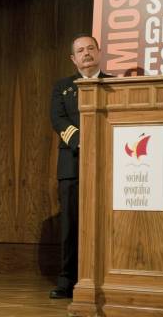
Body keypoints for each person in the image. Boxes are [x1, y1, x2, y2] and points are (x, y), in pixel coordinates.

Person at [49, 34, 111, 299]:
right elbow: (58, 120)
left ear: (99, 52)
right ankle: (67, 279)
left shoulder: (114, 85)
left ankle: (106, 277)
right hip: (72, 165)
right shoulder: (62, 87)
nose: (86, 53)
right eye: (80, 51)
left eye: (90, 48)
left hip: (108, 166)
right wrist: (82, 141)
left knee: (106, 222)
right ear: (73, 59)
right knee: (71, 224)